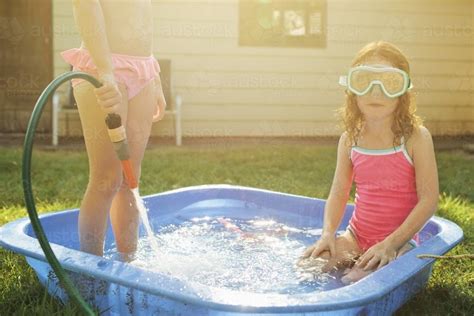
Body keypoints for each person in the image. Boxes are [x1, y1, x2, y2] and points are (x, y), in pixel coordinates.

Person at [299, 41, 439, 284]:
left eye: (389, 83)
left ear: (403, 92)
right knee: (307, 267)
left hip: (399, 241)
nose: (376, 92)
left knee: (355, 281)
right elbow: (339, 191)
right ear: (352, 89)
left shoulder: (416, 137)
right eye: (366, 81)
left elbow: (428, 200)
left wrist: (390, 245)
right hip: (356, 236)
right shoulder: (349, 139)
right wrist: (328, 234)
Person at [61, 0, 166, 261]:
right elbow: (85, 6)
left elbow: (142, 17)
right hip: (103, 65)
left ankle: (127, 263)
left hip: (143, 70)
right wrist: (106, 70)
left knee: (130, 177)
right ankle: (91, 273)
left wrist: (155, 77)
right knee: (106, 177)